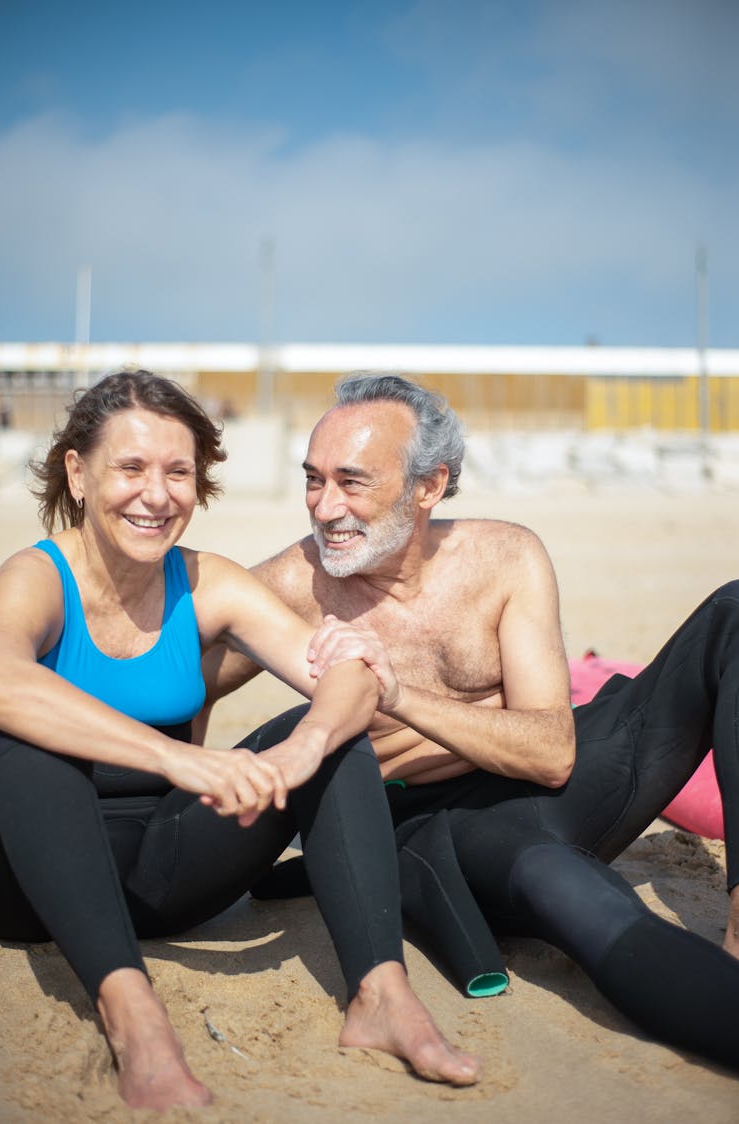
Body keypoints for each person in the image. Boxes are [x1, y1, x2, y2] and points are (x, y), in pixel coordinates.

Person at [200, 371, 739, 1073]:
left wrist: (398, 697)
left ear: (428, 486)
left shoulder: (505, 556)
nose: (324, 507)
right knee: (578, 901)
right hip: (447, 830)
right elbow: (184, 682)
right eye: (313, 479)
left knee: (732, 613)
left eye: (351, 481)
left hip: (565, 771)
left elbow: (551, 751)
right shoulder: (291, 586)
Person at [0, 369, 481, 1114]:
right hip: (30, 888)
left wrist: (305, 747)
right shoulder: (37, 577)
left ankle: (380, 993)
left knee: (337, 735)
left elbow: (347, 670)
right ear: (78, 474)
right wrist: (176, 757)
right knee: (25, 743)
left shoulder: (206, 583)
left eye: (177, 472)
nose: (156, 495)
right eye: (131, 468)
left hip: (161, 878)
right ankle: (136, 1017)